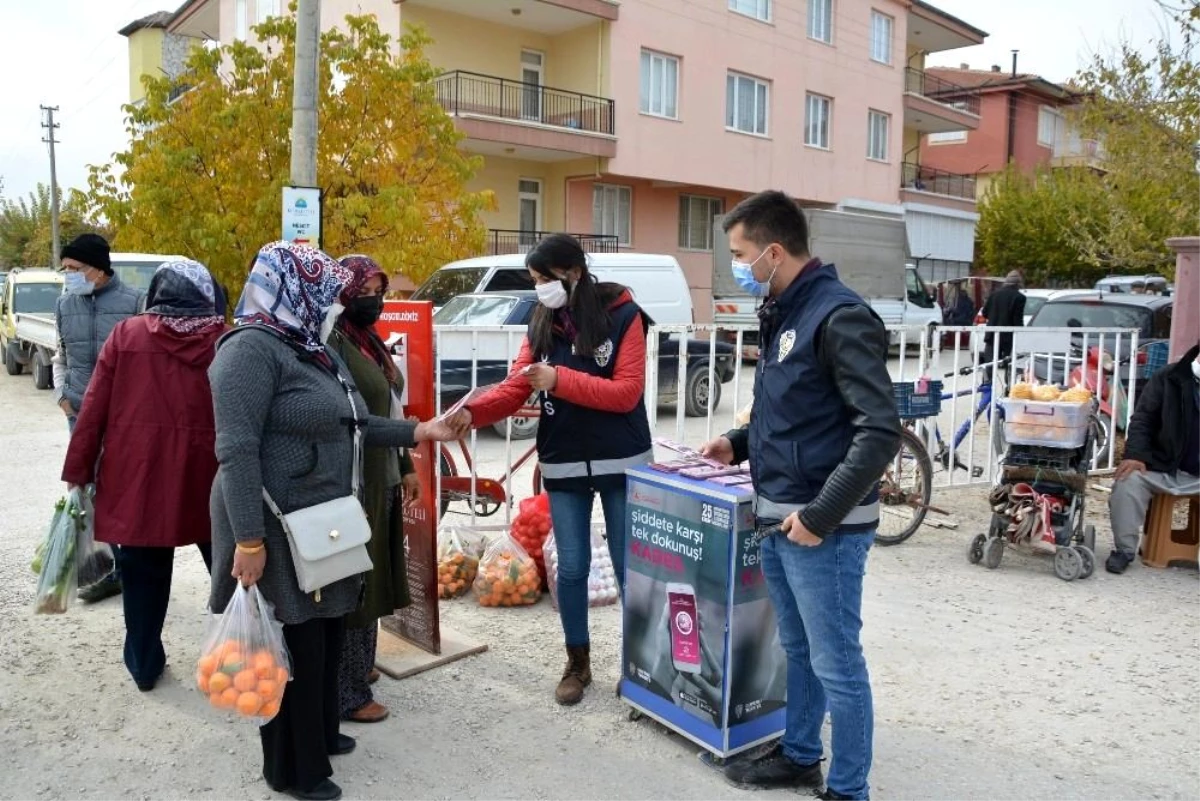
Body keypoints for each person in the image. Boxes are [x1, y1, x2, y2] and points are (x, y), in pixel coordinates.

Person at [208, 241, 462, 801]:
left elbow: (355, 423)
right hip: (274, 526)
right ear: (293, 291)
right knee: (292, 644)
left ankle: (321, 737)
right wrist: (248, 538)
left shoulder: (309, 348)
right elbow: (237, 451)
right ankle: (293, 771)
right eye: (324, 297)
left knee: (321, 633)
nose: (333, 307)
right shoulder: (249, 350)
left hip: (323, 519)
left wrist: (420, 432)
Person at [699, 191, 901, 801]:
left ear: (774, 251)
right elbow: (796, 413)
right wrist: (738, 442)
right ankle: (801, 754)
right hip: (781, 516)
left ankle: (848, 788)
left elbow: (879, 431)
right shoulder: (785, 309)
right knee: (800, 649)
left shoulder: (839, 315)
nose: (736, 264)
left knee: (837, 662)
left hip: (822, 526)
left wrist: (820, 515)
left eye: (740, 254)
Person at [447, 233, 653, 706]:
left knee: (629, 569)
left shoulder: (624, 316)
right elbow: (517, 385)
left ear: (573, 272)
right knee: (573, 565)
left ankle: (641, 666)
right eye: (536, 280)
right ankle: (577, 663)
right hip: (563, 461)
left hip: (621, 460)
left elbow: (626, 392)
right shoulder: (541, 320)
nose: (539, 288)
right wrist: (473, 412)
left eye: (545, 278)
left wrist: (560, 380)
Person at [60, 260, 227, 691]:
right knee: (229, 573)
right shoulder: (224, 339)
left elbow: (93, 408)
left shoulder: (127, 334)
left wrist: (78, 469)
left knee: (141, 580)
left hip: (138, 477)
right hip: (208, 476)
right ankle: (240, 656)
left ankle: (144, 664)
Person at [328, 254, 421, 724]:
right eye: (364, 292)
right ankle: (346, 691)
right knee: (358, 584)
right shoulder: (332, 342)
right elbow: (352, 417)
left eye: (379, 292)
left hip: (382, 473)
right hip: (354, 480)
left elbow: (391, 408)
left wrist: (406, 466)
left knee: (379, 575)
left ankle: (359, 668)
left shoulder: (368, 342)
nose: (375, 301)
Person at [53, 232, 145, 604]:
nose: (69, 276)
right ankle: (105, 567)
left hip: (120, 419)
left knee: (120, 492)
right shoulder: (64, 305)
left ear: (99, 269)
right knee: (85, 491)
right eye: (66, 270)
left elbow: (143, 365)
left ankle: (125, 569)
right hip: (78, 413)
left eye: (75, 269)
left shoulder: (134, 302)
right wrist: (62, 397)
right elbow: (60, 354)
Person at [1105, 341, 1200, 574]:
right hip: (1162, 465)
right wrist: (1136, 455)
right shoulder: (1168, 377)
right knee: (1127, 482)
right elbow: (1143, 419)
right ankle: (1124, 550)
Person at [979, 270, 1026, 365]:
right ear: (1018, 284)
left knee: (989, 364)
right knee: (1009, 364)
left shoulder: (994, 294)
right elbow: (1017, 320)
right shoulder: (1020, 297)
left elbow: (984, 313)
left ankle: (988, 380)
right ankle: (1008, 378)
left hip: (992, 335)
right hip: (1008, 337)